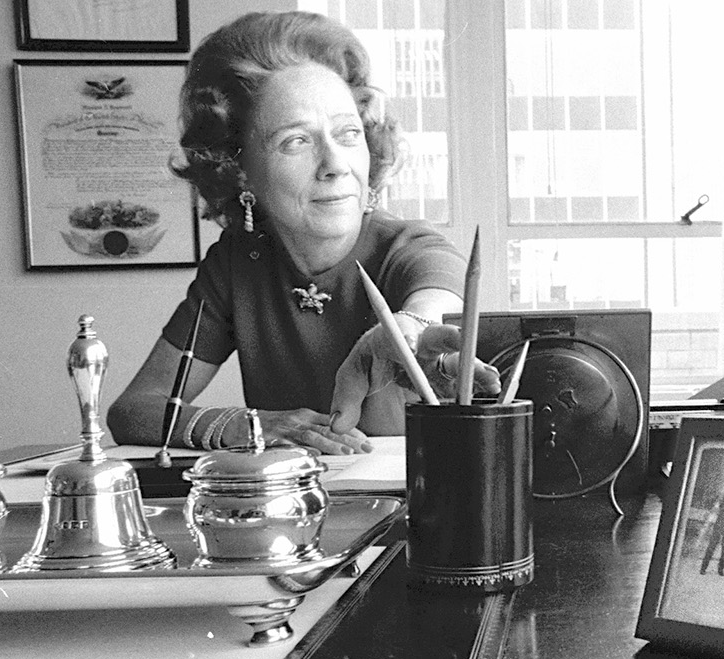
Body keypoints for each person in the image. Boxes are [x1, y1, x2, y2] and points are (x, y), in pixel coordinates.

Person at [108, 12, 499, 455]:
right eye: (296, 141)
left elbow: (436, 299)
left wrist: (412, 328)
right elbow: (134, 409)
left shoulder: (409, 247)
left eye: (348, 133)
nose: (335, 164)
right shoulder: (237, 264)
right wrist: (244, 426)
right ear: (237, 168)